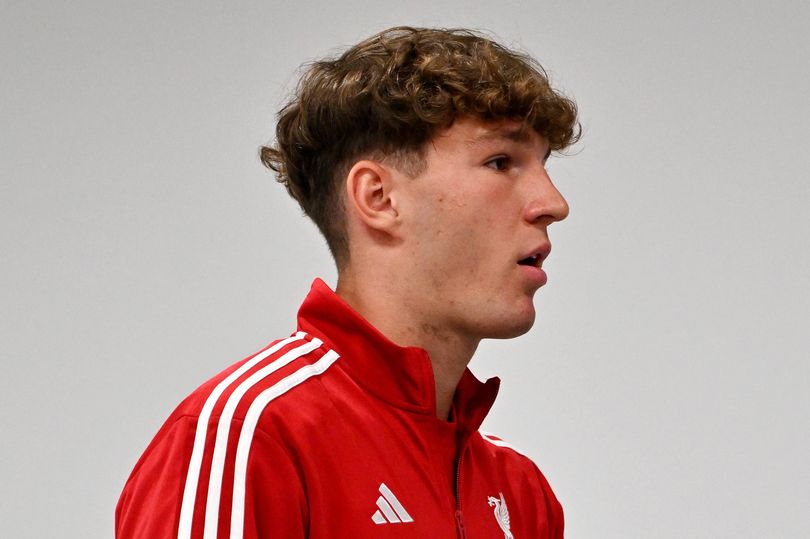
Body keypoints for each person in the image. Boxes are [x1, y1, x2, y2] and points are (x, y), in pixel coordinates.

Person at [115, 26, 579, 539]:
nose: (553, 203)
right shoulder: (254, 434)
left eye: (544, 165)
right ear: (378, 198)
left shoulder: (521, 492)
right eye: (500, 162)